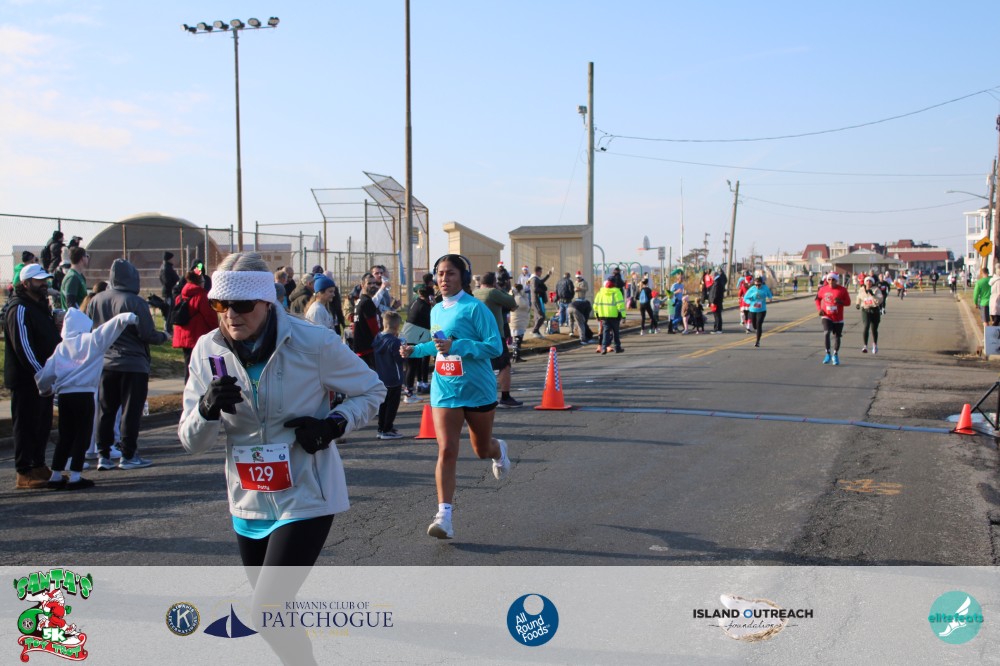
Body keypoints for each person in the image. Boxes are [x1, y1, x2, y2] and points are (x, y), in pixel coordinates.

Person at [178, 252, 384, 664]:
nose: (230, 315)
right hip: (248, 501)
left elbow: (372, 389)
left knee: (265, 610)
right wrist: (205, 409)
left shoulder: (313, 343)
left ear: (266, 302)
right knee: (277, 613)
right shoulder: (207, 350)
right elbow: (191, 441)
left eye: (241, 305)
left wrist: (333, 424)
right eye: (220, 304)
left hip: (306, 494)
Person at [400, 254, 511, 540]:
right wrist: (415, 350)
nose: (443, 279)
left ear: (463, 277)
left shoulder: (475, 308)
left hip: (476, 390)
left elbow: (494, 347)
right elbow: (438, 345)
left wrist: (457, 345)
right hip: (445, 389)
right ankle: (444, 517)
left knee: (481, 449)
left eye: (450, 273)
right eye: (439, 273)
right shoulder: (436, 309)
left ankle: (498, 451)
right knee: (447, 450)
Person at [35, 308, 136, 490]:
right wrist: (124, 318)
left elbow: (46, 373)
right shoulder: (91, 341)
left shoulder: (61, 347)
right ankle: (75, 476)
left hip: (64, 396)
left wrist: (45, 389)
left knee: (65, 435)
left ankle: (56, 474)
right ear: (83, 325)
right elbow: (107, 330)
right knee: (82, 435)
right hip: (84, 394)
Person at [87, 258, 170, 470]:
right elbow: (147, 334)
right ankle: (128, 454)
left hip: (106, 363)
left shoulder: (96, 300)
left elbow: (90, 329)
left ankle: (103, 454)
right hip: (133, 364)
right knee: (130, 412)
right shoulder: (135, 302)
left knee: (106, 411)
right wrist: (164, 336)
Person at [5, 264, 61, 489]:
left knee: (42, 424)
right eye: (39, 280)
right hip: (27, 380)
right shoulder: (19, 308)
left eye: (45, 279)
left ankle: (38, 464)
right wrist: (41, 374)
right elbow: (23, 347)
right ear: (26, 283)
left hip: (43, 378)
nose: (44, 284)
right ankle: (24, 470)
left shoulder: (39, 306)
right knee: (26, 424)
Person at [474, 271, 523, 408]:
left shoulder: (474, 293)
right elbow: (512, 303)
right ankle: (505, 397)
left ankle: (481, 397)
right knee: (504, 365)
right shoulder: (493, 293)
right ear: (494, 282)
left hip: (478, 336)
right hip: (495, 335)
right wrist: (500, 289)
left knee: (483, 366)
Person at [172, 270, 219, 382]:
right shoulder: (202, 296)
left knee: (189, 365)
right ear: (199, 282)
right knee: (208, 363)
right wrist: (218, 331)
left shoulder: (180, 297)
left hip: (184, 337)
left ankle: (188, 386)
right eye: (203, 281)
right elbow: (210, 317)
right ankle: (211, 383)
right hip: (198, 336)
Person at [373, 311, 406, 439]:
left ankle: (382, 427)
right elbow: (399, 359)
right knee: (392, 405)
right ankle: (387, 429)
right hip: (394, 377)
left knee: (383, 404)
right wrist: (404, 349)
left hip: (381, 376)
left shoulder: (377, 338)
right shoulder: (394, 342)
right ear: (397, 326)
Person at [403, 286, 433, 400]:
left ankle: (410, 391)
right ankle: (409, 394)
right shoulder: (424, 307)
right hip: (413, 338)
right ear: (430, 296)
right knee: (412, 366)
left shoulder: (416, 301)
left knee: (411, 366)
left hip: (410, 335)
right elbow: (434, 324)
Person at [815, 272, 851, 366]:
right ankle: (827, 353)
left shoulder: (842, 290)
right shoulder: (823, 289)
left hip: (838, 317)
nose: (831, 281)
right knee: (827, 332)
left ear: (836, 280)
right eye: (829, 279)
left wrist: (840, 302)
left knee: (837, 336)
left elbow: (848, 302)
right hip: (827, 315)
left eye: (833, 279)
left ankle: (835, 354)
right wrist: (819, 309)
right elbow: (817, 299)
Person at [352, 272, 382, 368]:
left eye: (374, 283)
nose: (373, 285)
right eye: (369, 283)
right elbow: (373, 326)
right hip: (367, 348)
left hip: (360, 346)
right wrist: (380, 340)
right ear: (362, 285)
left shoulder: (360, 300)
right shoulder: (367, 302)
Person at [593, 279, 626, 354]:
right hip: (615, 316)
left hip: (604, 316)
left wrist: (596, 315)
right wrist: (623, 316)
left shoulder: (600, 293)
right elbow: (620, 305)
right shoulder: (616, 292)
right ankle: (617, 347)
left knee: (605, 332)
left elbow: (595, 305)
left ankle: (604, 348)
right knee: (616, 333)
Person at [742, 276, 773, 348]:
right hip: (753, 310)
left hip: (762, 310)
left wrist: (770, 298)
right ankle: (757, 330)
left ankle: (757, 341)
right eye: (756, 285)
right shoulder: (752, 289)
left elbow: (769, 294)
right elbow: (745, 298)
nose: (757, 286)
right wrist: (750, 302)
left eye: (759, 285)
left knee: (759, 324)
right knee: (754, 325)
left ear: (762, 283)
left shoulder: (765, 288)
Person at [856, 276, 885, 354]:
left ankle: (875, 344)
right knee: (866, 326)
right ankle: (865, 346)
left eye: (870, 281)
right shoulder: (861, 289)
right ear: (865, 282)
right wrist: (857, 304)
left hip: (874, 310)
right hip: (865, 310)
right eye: (867, 281)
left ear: (872, 282)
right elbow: (858, 297)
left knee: (874, 329)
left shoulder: (876, 290)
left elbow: (879, 300)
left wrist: (873, 295)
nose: (868, 282)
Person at [59, 246, 89, 310]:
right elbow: (70, 304)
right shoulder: (72, 278)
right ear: (82, 258)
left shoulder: (79, 276)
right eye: (87, 256)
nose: (88, 258)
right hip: (75, 315)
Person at [529, 266, 553, 337]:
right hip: (535, 300)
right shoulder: (534, 279)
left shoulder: (536, 279)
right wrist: (543, 290)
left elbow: (541, 282)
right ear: (537, 272)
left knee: (537, 317)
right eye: (540, 272)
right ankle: (534, 331)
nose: (541, 273)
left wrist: (548, 275)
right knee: (541, 316)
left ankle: (536, 332)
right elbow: (535, 289)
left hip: (537, 299)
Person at [509, 283, 530, 361]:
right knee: (518, 339)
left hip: (515, 321)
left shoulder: (512, 296)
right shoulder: (518, 298)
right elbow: (526, 305)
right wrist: (525, 295)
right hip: (518, 321)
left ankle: (515, 356)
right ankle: (516, 356)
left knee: (515, 340)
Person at [159, 252, 180, 331]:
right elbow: (167, 282)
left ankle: (168, 328)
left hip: (169, 292)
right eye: (172, 258)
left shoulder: (166, 267)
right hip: (168, 293)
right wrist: (174, 285)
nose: (173, 260)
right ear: (169, 259)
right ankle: (167, 329)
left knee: (169, 311)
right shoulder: (166, 268)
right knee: (168, 311)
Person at [708, 267, 727, 333]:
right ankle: (716, 328)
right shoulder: (716, 282)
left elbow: (715, 293)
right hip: (716, 301)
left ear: (714, 275)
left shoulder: (717, 282)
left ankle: (718, 329)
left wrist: (713, 301)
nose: (711, 278)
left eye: (711, 276)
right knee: (716, 315)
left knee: (717, 315)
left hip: (716, 302)